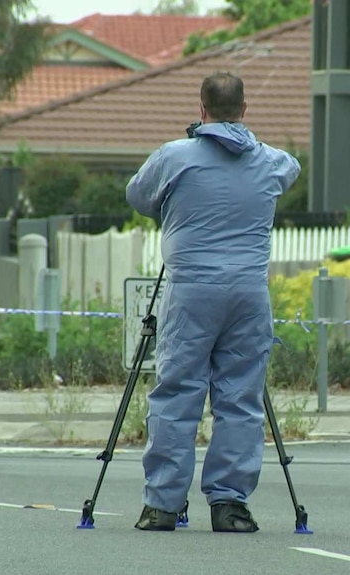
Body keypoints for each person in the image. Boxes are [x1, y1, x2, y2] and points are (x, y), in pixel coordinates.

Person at [125, 72, 301, 533]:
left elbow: (138, 196)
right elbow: (291, 169)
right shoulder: (270, 161)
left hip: (191, 290)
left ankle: (162, 504)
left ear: (200, 110)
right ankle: (229, 504)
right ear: (244, 110)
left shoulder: (174, 157)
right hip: (248, 293)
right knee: (240, 397)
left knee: (178, 391)